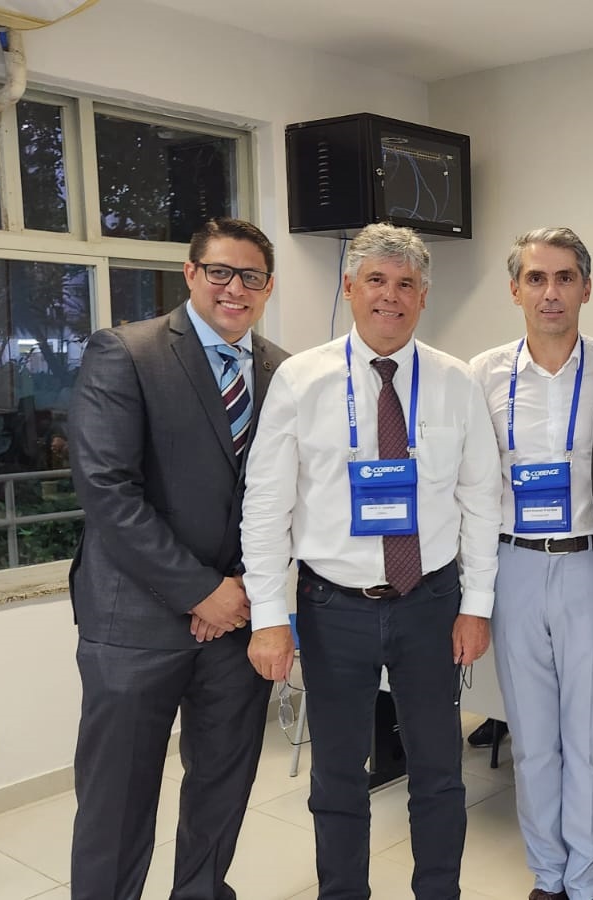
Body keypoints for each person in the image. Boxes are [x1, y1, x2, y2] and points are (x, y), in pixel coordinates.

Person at [240, 223, 500, 900]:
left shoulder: (454, 381)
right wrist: (269, 615)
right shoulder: (300, 379)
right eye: (377, 282)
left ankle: (439, 892)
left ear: (424, 296)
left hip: (429, 604)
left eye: (407, 284)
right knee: (337, 777)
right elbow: (266, 507)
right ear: (350, 288)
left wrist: (477, 606)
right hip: (333, 609)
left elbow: (481, 498)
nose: (392, 297)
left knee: (439, 772)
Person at [67, 217, 289, 900]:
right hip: (136, 621)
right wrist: (201, 591)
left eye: (250, 276)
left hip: (238, 622)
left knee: (222, 786)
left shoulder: (283, 370)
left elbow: (290, 496)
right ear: (190, 273)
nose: (234, 287)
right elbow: (108, 489)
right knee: (118, 801)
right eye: (219, 271)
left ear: (268, 287)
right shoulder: (126, 352)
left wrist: (246, 591)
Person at [470, 227, 593, 900]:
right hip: (515, 568)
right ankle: (548, 876)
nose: (551, 291)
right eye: (536, 278)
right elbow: (471, 485)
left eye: (565, 278)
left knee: (589, 739)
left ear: (587, 288)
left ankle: (585, 882)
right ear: (515, 290)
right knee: (532, 739)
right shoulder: (481, 374)